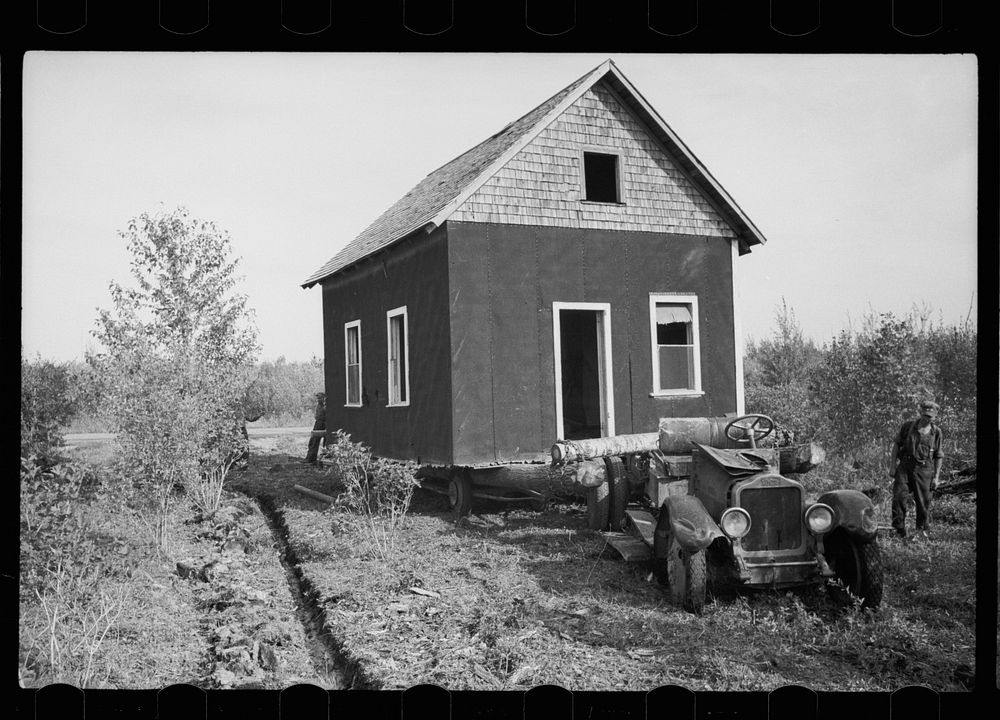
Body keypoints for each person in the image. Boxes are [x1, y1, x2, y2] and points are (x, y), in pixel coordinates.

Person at [889, 400, 944, 538]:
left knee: (923, 501)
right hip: (904, 466)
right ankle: (898, 529)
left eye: (930, 416)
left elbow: (938, 455)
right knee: (899, 497)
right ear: (920, 413)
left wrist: (936, 477)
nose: (926, 418)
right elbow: (896, 445)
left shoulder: (936, 432)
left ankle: (921, 532)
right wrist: (892, 466)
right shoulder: (908, 427)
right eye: (925, 415)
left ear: (935, 417)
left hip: (925, 469)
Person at [302, 392, 327, 464]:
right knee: (313, 441)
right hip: (318, 422)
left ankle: (323, 458)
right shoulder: (319, 405)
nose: (319, 399)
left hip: (324, 423)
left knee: (326, 442)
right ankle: (310, 458)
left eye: (320, 398)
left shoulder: (326, 405)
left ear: (324, 398)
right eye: (318, 398)